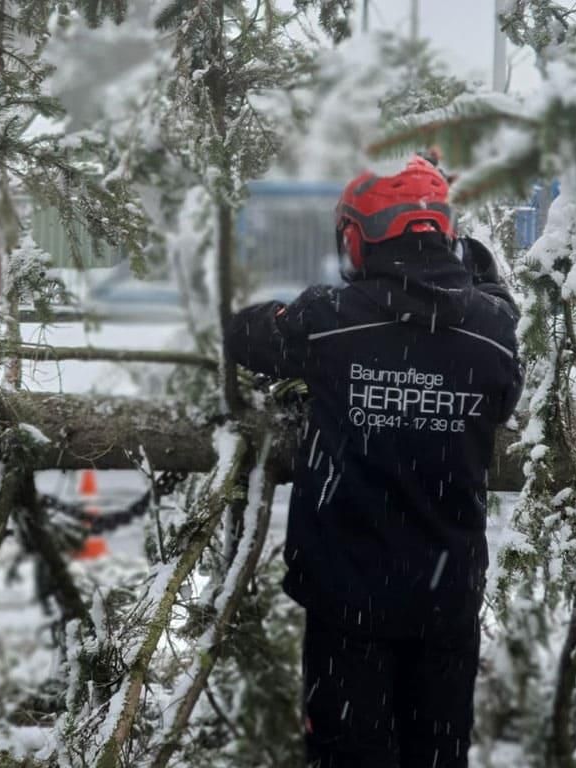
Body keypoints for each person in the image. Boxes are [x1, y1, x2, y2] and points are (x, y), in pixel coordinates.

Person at [226, 155, 522, 768]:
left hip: (347, 604)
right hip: (446, 603)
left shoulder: (330, 321)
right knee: (437, 758)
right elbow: (504, 383)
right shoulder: (492, 332)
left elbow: (245, 333)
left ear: (358, 237)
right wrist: (486, 286)